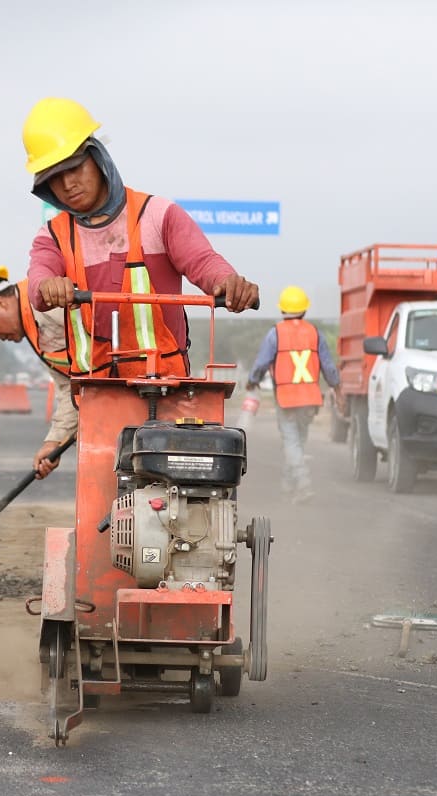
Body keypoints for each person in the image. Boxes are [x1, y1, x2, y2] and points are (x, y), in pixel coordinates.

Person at [22, 97, 259, 379]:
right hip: (97, 399)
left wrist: (227, 282)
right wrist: (48, 286)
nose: (67, 184)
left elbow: (203, 261)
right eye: (54, 177)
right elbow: (38, 281)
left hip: (167, 390)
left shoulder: (157, 215)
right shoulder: (53, 236)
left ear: (97, 156)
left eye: (74, 168)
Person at [0, 265, 75, 478]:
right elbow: (70, 388)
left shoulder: (47, 303)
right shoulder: (35, 331)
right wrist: (52, 442)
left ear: (0, 302)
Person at [246, 286, 340, 503]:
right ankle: (288, 486)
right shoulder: (315, 333)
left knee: (292, 442)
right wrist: (335, 385)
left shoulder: (275, 333)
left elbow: (261, 363)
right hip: (310, 399)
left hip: (287, 398)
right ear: (304, 310)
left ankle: (303, 484)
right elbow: (328, 367)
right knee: (297, 441)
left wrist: (253, 381)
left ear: (283, 310)